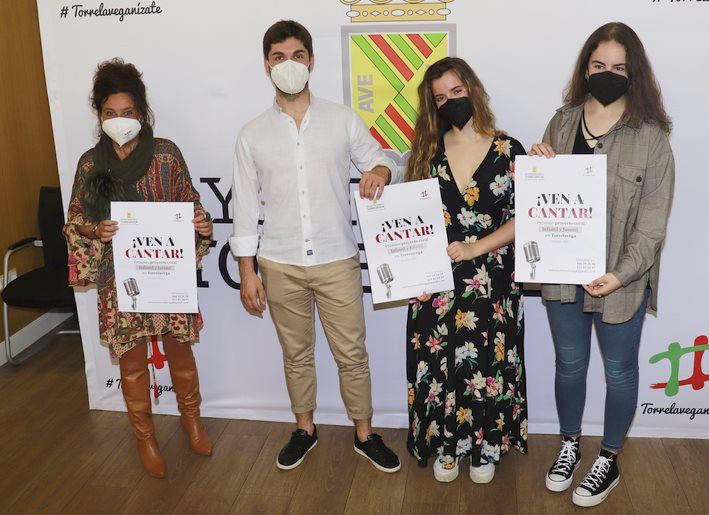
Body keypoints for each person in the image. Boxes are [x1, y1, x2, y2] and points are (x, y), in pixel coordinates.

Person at [230, 20, 401, 472]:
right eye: (279, 57)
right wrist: (247, 270)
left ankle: (365, 434)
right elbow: (245, 208)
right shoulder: (251, 134)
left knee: (352, 355)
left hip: (336, 258)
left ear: (311, 61)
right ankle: (304, 429)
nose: (289, 64)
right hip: (278, 262)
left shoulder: (342, 119)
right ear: (266, 65)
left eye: (298, 55)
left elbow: (382, 162)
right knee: (296, 354)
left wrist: (379, 174)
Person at [529, 22, 674, 507]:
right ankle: (569, 445)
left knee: (619, 373)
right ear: (585, 68)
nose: (607, 74)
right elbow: (541, 198)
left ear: (633, 73)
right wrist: (537, 166)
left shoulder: (651, 137)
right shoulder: (562, 121)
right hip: (563, 275)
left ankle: (607, 458)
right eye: (598, 65)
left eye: (618, 67)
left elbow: (653, 225)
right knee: (569, 365)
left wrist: (620, 274)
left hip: (621, 280)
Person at [64, 58, 214, 478]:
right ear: (99, 115)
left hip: (167, 273)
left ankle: (192, 420)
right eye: (109, 113)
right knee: (131, 365)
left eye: (127, 112)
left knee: (180, 354)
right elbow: (75, 220)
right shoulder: (90, 165)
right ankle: (145, 437)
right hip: (122, 280)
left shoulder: (166, 155)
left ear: (142, 113)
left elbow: (191, 203)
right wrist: (98, 229)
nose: (119, 121)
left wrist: (200, 223)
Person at [405, 57, 528, 484]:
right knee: (439, 361)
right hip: (437, 280)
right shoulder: (425, 154)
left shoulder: (509, 149)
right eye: (440, 97)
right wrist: (413, 276)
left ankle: (484, 446)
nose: (450, 102)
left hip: (492, 277)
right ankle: (446, 445)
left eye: (456, 92)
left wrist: (477, 246)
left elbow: (524, 216)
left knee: (487, 364)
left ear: (473, 90)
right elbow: (410, 227)